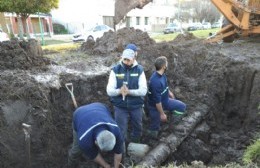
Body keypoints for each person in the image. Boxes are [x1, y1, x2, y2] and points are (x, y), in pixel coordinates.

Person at [106, 48, 147, 143]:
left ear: (133, 59)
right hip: (120, 106)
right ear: (122, 58)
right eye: (124, 59)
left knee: (137, 126)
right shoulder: (115, 70)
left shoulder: (140, 70)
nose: (126, 62)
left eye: (128, 60)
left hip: (136, 105)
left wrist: (129, 92)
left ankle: (135, 143)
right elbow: (109, 91)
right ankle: (122, 149)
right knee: (120, 129)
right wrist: (119, 91)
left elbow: (143, 91)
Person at [68, 102, 124, 168]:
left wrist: (116, 167)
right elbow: (94, 155)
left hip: (100, 107)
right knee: (76, 150)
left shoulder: (116, 129)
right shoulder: (84, 140)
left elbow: (118, 152)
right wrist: (106, 165)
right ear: (96, 142)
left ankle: (123, 160)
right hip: (79, 114)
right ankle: (71, 164)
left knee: (121, 145)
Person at [147, 56, 186, 138]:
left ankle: (173, 126)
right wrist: (162, 114)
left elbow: (165, 86)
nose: (167, 65)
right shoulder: (155, 82)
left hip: (165, 100)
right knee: (154, 128)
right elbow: (157, 102)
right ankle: (152, 140)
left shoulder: (162, 75)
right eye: (166, 64)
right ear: (163, 66)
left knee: (182, 106)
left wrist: (169, 92)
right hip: (155, 106)